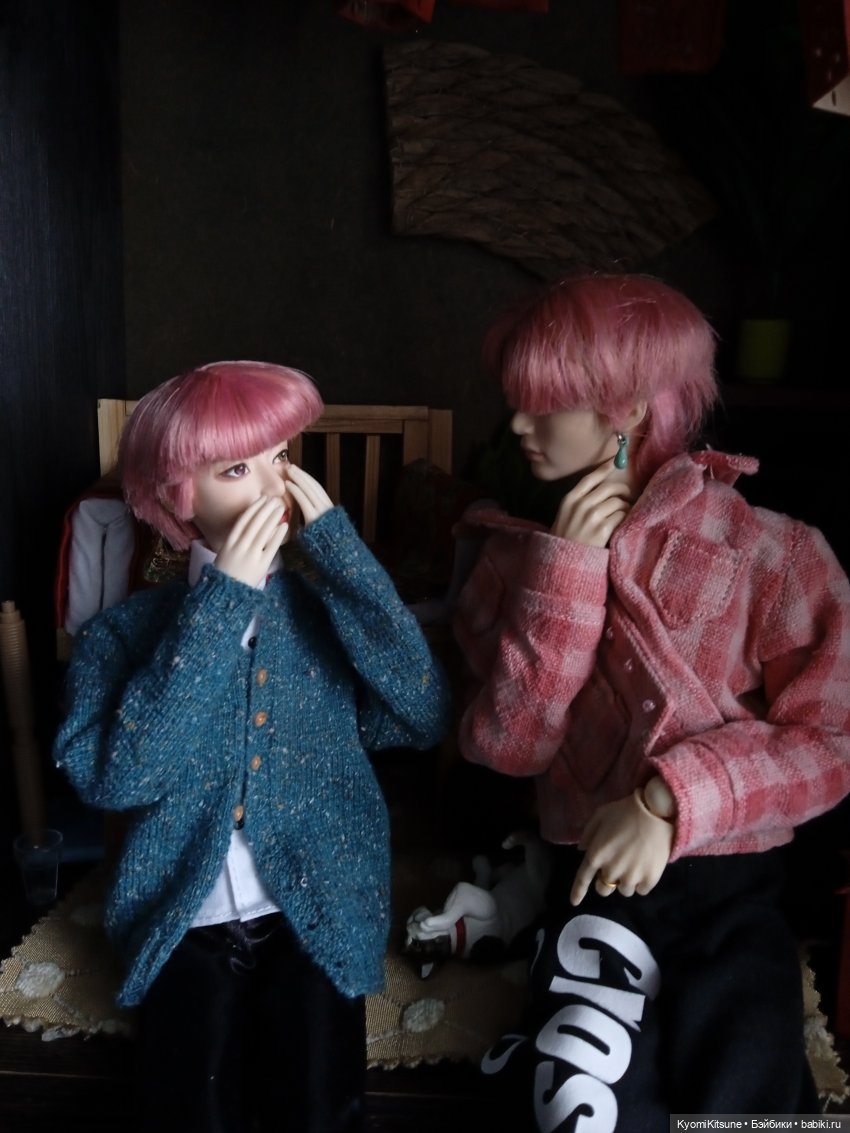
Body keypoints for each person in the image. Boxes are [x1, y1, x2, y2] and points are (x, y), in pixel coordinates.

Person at [452, 274, 850, 1128]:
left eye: (544, 403)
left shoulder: (774, 554)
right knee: (582, 1101)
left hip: (733, 883)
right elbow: (508, 746)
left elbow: (830, 743)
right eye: (515, 401)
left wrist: (673, 799)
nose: (516, 424)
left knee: (749, 1095)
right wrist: (564, 577)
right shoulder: (508, 560)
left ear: (627, 410)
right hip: (592, 885)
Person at [53, 360, 450, 1133]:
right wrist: (220, 606)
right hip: (183, 914)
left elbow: (423, 710)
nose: (273, 486)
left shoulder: (325, 612)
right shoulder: (122, 634)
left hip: (318, 905)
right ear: (177, 493)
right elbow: (118, 776)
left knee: (319, 1104)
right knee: (187, 1103)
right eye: (237, 468)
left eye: (280, 457)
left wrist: (344, 559)